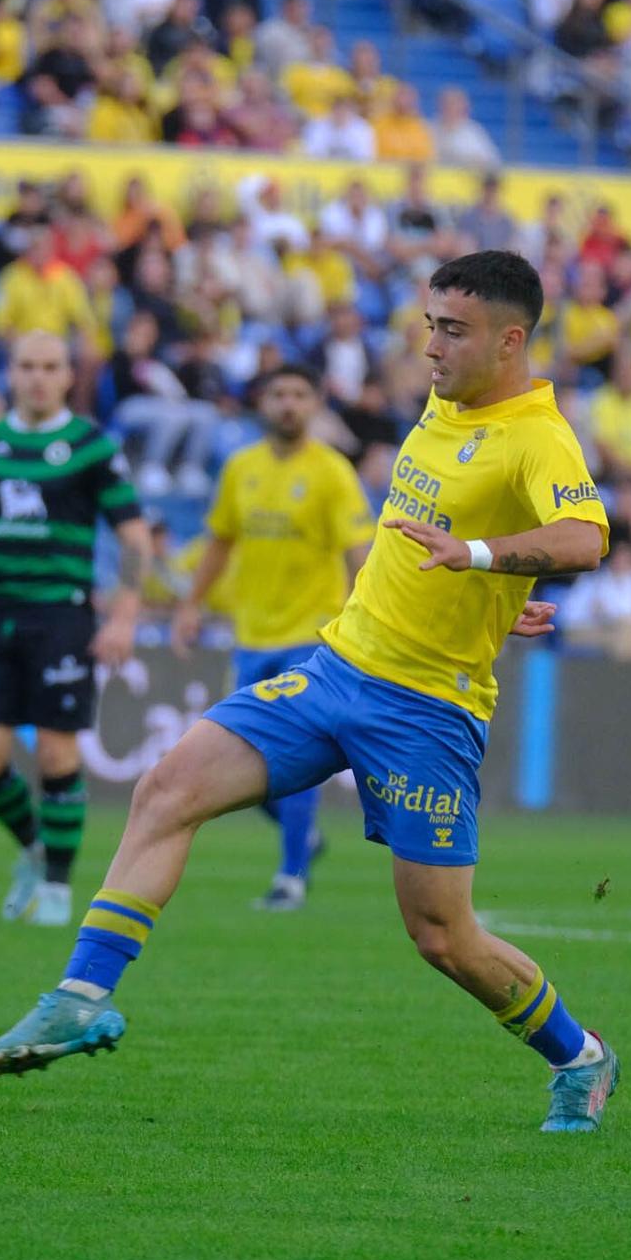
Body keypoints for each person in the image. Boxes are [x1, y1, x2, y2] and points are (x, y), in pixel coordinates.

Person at [0, 252, 622, 1137]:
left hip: (426, 711)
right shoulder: (446, 399)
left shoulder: (536, 434)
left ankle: (580, 1055)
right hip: (335, 668)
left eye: (453, 330)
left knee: (442, 936)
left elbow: (586, 536)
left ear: (512, 340)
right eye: (430, 322)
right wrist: (483, 596)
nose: (430, 344)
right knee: (166, 787)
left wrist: (479, 564)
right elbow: (423, 537)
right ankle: (81, 994)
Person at [0, 332, 151, 927]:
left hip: (62, 614)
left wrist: (124, 618)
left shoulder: (90, 445)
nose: (37, 377)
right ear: (11, 372)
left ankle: (56, 887)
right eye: (27, 365)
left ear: (66, 375)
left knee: (58, 752)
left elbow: (133, 537)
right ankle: (34, 847)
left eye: (50, 366)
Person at [171, 366, 375, 911]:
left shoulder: (332, 472)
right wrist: (191, 605)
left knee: (295, 756)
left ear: (315, 403)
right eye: (279, 394)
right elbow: (219, 541)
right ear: (263, 403)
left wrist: (363, 619)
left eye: (299, 394)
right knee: (244, 764)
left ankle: (291, 877)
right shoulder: (241, 468)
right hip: (250, 636)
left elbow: (360, 552)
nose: (288, 404)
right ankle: (303, 839)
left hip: (312, 637)